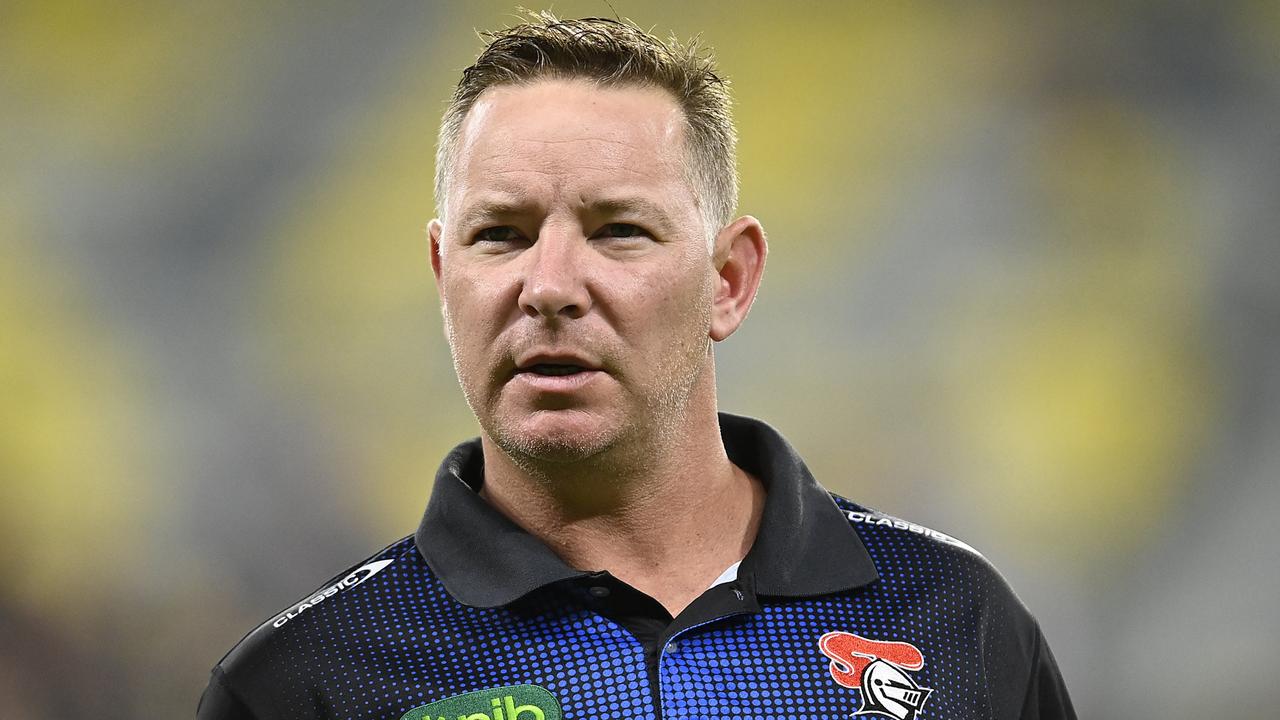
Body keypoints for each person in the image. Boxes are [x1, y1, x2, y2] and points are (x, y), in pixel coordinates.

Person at [198, 13, 1075, 720]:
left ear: (728, 280)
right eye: (500, 234)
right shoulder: (303, 684)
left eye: (619, 229)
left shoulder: (957, 621)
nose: (548, 286)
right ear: (443, 275)